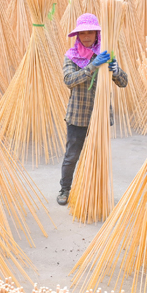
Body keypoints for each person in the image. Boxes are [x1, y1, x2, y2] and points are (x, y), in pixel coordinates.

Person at [58, 13, 129, 206]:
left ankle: (93, 191)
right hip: (77, 117)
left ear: (97, 34)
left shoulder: (105, 54)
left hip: (101, 117)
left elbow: (123, 82)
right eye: (83, 33)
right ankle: (65, 189)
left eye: (91, 32)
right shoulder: (71, 57)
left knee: (99, 156)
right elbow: (69, 81)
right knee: (72, 155)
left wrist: (115, 70)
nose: (87, 36)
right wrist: (92, 67)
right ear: (77, 36)